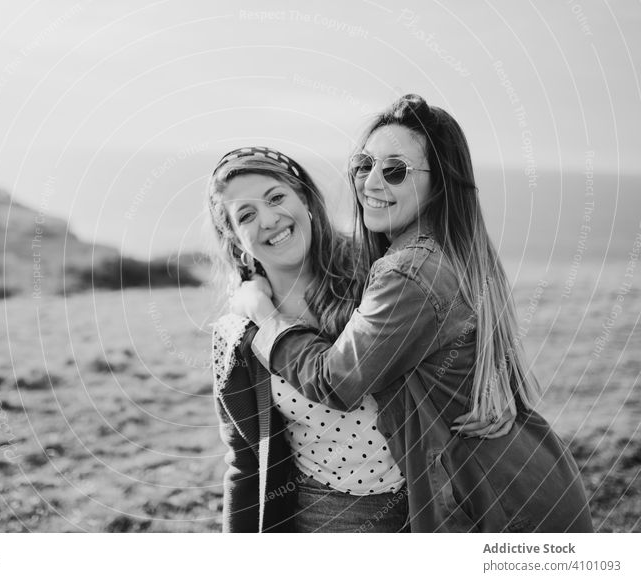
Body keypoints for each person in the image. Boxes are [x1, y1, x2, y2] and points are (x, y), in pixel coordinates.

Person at [234, 95, 594, 532]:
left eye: (395, 170)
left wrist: (263, 315)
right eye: (364, 164)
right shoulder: (443, 248)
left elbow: (335, 380)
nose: (371, 182)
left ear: (437, 184)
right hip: (523, 480)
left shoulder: (409, 272)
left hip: (499, 505)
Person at [208, 145, 511, 533]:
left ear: (305, 199)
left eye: (276, 197)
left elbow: (462, 316)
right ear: (234, 238)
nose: (268, 219)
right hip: (330, 513)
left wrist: (497, 377)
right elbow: (244, 461)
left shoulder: (378, 271)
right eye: (246, 215)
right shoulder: (235, 335)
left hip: (437, 494)